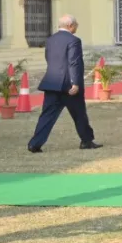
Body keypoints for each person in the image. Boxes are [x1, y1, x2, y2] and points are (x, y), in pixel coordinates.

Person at [26, 15, 100, 153]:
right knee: (79, 114)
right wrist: (75, 83)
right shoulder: (74, 40)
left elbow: (49, 59)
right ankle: (86, 141)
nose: (77, 26)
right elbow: (74, 62)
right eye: (76, 24)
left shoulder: (50, 39)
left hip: (52, 82)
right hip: (68, 84)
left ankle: (34, 144)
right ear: (70, 25)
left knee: (47, 115)